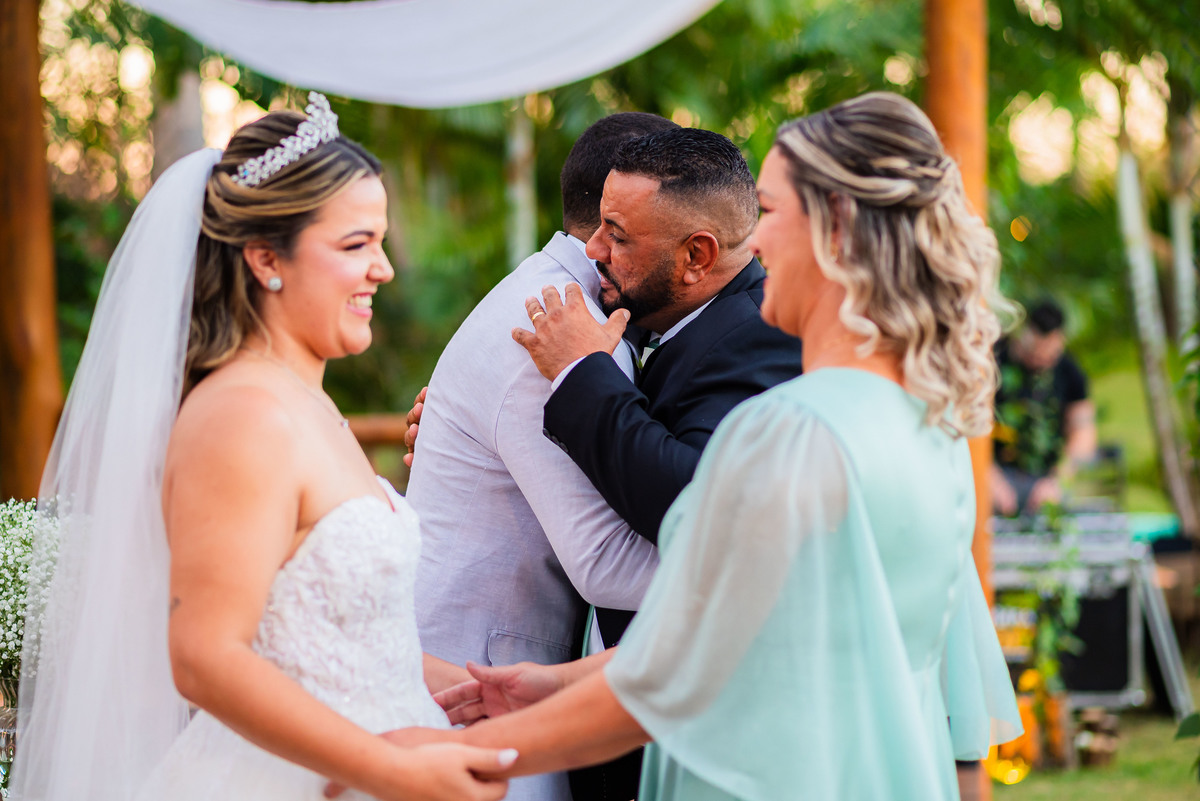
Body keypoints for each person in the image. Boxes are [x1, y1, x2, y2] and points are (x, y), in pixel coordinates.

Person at [372, 91, 1023, 801]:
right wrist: (556, 680)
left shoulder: (793, 431)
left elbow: (680, 668)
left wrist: (465, 750)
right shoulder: (930, 426)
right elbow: (764, 625)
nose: (755, 243)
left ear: (834, 234)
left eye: (768, 213)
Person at [14, 94, 514, 801]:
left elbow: (342, 642)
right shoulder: (242, 417)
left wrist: (468, 687)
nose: (384, 269)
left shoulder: (307, 400)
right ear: (264, 257)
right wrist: (391, 768)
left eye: (379, 239)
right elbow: (204, 655)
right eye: (355, 245)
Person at [406, 111, 676, 801]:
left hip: (499, 672)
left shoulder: (559, 296)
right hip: (471, 683)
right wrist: (760, 581)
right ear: (613, 224)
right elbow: (605, 565)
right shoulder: (557, 323)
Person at [991, 298, 1096, 515]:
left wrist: (1058, 480)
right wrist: (987, 475)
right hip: (995, 473)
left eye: (1050, 354)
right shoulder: (992, 361)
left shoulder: (1070, 372)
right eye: (1035, 352)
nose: (1041, 360)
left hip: (1047, 477)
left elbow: (1084, 434)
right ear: (1023, 333)